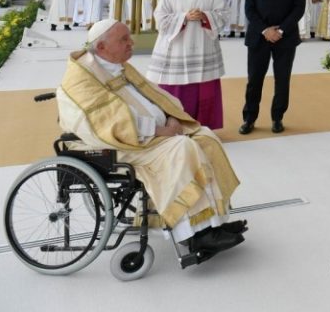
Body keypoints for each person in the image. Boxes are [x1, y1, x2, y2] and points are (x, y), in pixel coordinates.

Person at [57, 19, 245, 254]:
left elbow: (153, 95)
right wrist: (161, 130)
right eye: (124, 39)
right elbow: (107, 123)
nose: (131, 43)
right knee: (183, 148)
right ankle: (196, 234)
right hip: (123, 144)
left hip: (153, 134)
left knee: (206, 138)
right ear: (102, 47)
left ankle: (214, 220)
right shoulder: (82, 77)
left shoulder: (116, 65)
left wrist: (171, 116)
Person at [147, 0, 228, 130]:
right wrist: (184, 17)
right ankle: (176, 126)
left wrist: (205, 16)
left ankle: (204, 126)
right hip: (178, 50)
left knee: (204, 87)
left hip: (204, 47)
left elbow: (224, 14)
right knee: (176, 87)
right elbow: (160, 20)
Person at [240, 0, 306, 135]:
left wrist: (281, 30)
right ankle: (249, 118)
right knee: (254, 80)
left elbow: (299, 7)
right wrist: (265, 30)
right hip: (259, 37)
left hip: (285, 38)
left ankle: (277, 117)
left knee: (282, 80)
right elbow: (249, 8)